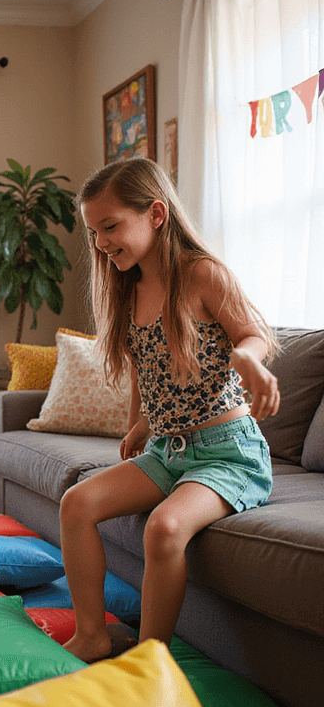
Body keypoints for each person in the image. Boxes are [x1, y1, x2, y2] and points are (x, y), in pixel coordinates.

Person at [61, 157, 279, 663]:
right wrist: (139, 421)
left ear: (156, 214)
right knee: (77, 503)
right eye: (94, 231)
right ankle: (92, 634)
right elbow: (145, 363)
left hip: (228, 453)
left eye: (111, 226)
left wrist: (247, 359)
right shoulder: (130, 286)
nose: (101, 243)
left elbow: (253, 332)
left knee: (164, 528)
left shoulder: (201, 274)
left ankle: (147, 659)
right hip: (166, 449)